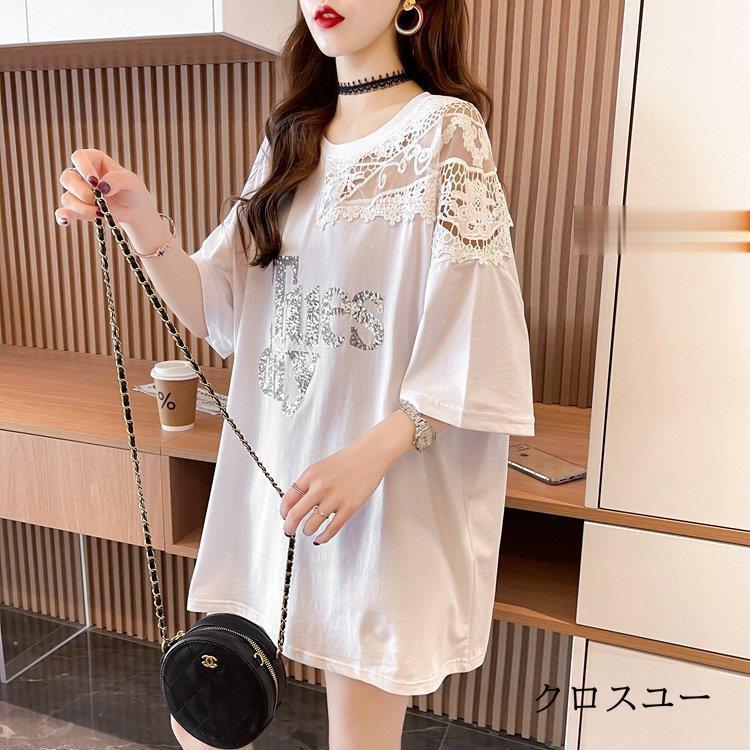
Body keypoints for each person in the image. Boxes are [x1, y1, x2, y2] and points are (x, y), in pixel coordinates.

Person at [54, 1, 535, 747]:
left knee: (359, 731)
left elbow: (477, 333)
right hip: (273, 479)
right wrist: (138, 213)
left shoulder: (445, 131)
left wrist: (372, 453)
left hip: (382, 492)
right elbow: (216, 303)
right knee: (207, 716)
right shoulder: (291, 140)